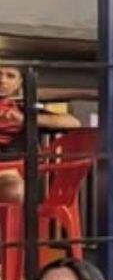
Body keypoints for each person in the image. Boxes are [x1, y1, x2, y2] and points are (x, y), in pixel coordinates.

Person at [0, 64, 80, 204]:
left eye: (10, 76)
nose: (2, 80)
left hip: (9, 171)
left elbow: (73, 122)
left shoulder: (24, 109)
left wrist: (25, 119)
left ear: (19, 82)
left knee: (13, 190)